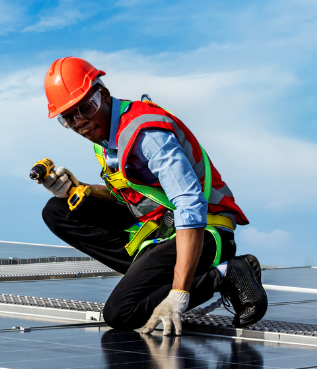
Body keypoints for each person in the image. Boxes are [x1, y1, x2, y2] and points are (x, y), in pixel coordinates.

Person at [37, 57, 267, 334]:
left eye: (86, 107)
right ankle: (150, 277)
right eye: (69, 117)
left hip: (205, 231)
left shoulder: (146, 133)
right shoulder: (106, 139)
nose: (80, 121)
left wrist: (180, 294)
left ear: (104, 95)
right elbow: (133, 196)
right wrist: (75, 189)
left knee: (121, 313)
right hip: (159, 229)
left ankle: (227, 273)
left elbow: (189, 204)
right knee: (58, 210)